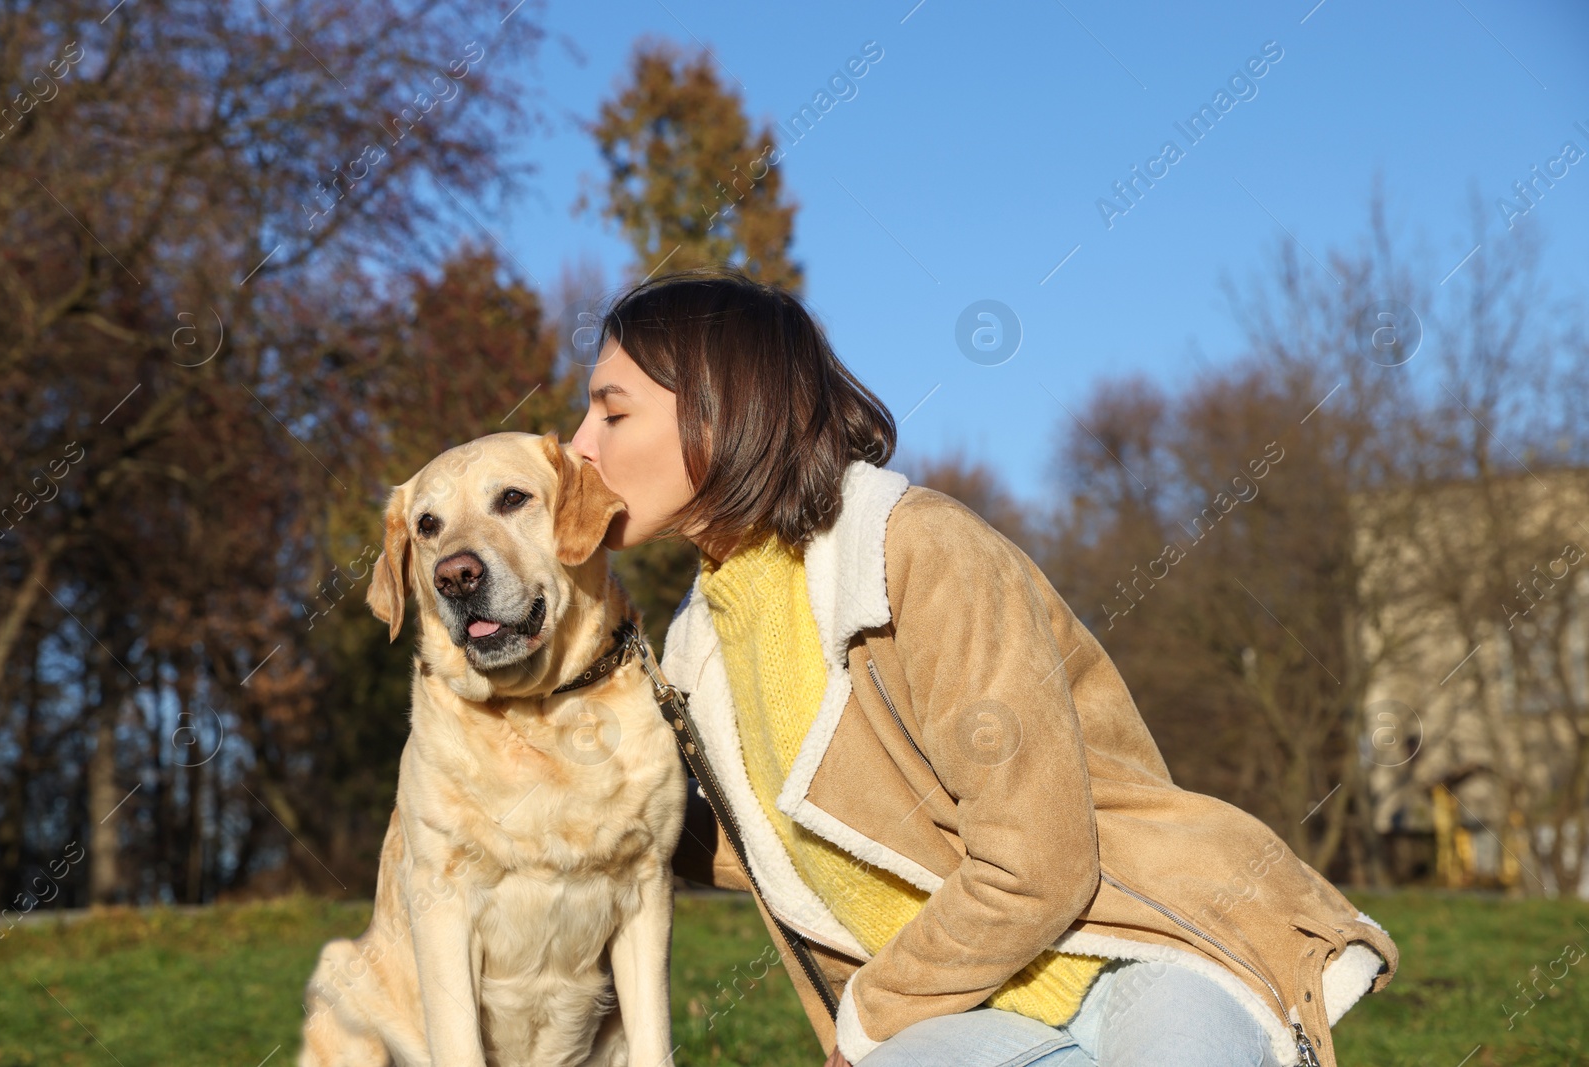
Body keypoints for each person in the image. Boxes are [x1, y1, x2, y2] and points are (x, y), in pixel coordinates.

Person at [568, 267, 1397, 1067]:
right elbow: (679, 833)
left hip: (1138, 952)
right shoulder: (699, 646)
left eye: (613, 414)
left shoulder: (917, 552)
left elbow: (1037, 867)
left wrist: (869, 1020)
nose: (580, 445)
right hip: (971, 1016)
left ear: (722, 412)